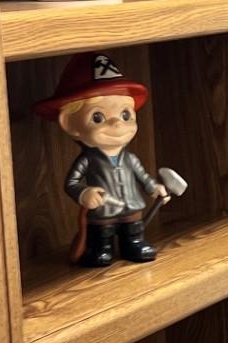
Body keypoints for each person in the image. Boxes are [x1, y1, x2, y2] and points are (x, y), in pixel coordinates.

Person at [35, 53, 171, 269]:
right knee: (102, 233)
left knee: (133, 230)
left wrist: (154, 187)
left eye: (126, 115)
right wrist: (84, 193)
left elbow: (142, 176)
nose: (117, 124)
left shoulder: (130, 158)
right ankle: (101, 248)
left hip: (131, 206)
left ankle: (133, 244)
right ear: (69, 124)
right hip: (103, 211)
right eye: (98, 117)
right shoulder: (87, 160)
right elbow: (72, 183)